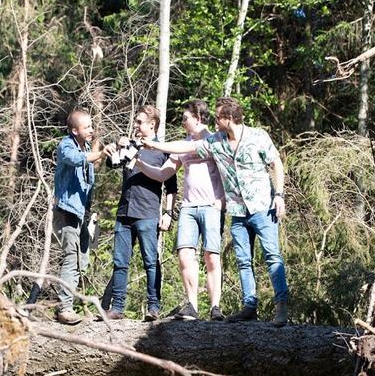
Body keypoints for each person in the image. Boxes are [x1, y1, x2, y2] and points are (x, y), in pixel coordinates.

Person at [141, 97, 290, 325]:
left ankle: (282, 307)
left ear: (229, 118)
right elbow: (187, 147)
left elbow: (276, 163)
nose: (215, 121)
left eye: (219, 117)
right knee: (243, 260)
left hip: (262, 207)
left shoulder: (258, 136)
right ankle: (250, 306)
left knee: (272, 257)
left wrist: (279, 195)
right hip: (238, 211)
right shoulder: (216, 141)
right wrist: (155, 145)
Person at [133, 100, 226, 321]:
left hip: (212, 206)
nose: (183, 122)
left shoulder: (214, 139)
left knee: (211, 256)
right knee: (185, 255)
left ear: (198, 118)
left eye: (185, 118)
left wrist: (222, 200)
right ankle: (192, 306)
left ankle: (215, 307)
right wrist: (138, 163)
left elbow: (219, 168)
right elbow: (163, 174)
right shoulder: (181, 145)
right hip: (188, 207)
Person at [102, 105, 178, 321]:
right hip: (124, 213)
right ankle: (117, 308)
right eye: (135, 122)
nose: (135, 125)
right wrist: (115, 148)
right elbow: (112, 164)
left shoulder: (163, 150)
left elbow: (171, 186)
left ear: (152, 124)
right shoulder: (130, 146)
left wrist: (168, 213)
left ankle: (154, 307)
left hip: (148, 213)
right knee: (120, 261)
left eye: (139, 122)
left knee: (150, 261)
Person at [52, 109, 115, 325]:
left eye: (91, 125)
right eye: (87, 127)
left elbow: (88, 177)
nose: (91, 130)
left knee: (83, 260)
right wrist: (101, 153)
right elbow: (77, 160)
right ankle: (64, 308)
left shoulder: (86, 147)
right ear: (74, 130)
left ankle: (73, 304)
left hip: (83, 213)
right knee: (71, 257)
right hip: (67, 211)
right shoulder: (66, 146)